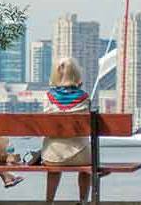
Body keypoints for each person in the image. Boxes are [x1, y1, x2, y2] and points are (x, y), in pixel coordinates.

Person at [42, 57, 92, 202]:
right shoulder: (84, 98)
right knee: (86, 169)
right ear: (77, 75)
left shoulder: (48, 97)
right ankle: (83, 201)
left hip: (53, 156)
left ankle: (49, 201)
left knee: (54, 165)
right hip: (82, 156)